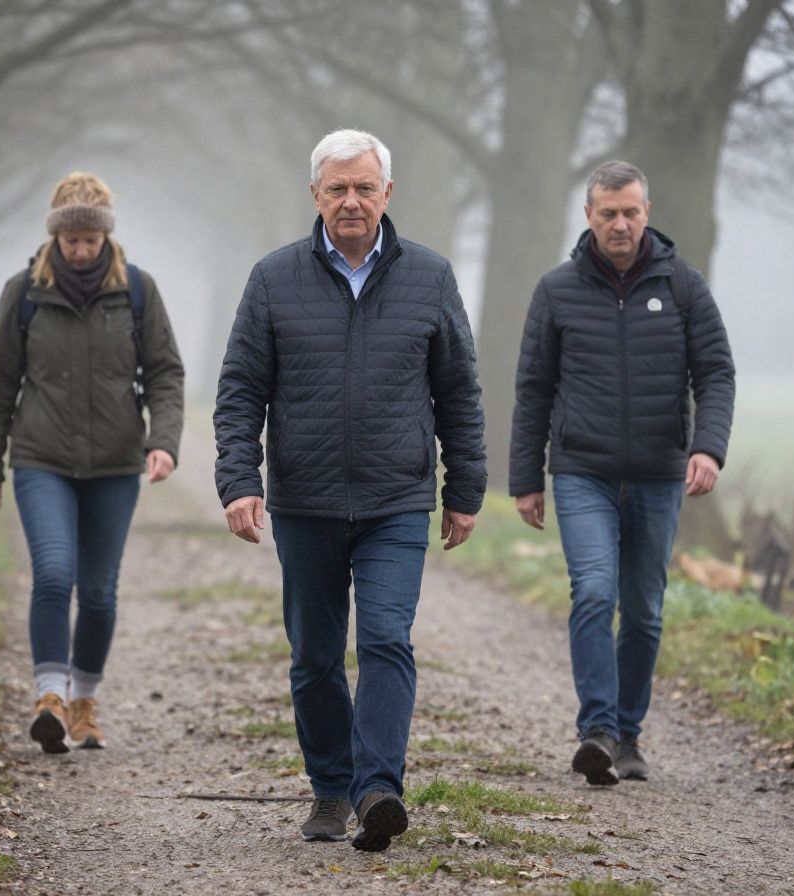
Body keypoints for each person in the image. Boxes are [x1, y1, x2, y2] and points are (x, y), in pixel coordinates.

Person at [214, 129, 487, 850]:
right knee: (313, 653)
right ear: (316, 195)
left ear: (387, 194)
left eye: (364, 187)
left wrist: (467, 484)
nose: (351, 201)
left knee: (387, 639)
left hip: (397, 498)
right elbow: (241, 389)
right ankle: (331, 788)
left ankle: (378, 790)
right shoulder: (273, 280)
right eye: (337, 188)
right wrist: (239, 480)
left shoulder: (430, 277)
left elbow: (459, 389)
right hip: (303, 500)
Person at [509, 160, 735, 786]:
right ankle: (598, 731)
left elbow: (716, 372)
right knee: (594, 592)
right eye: (607, 212)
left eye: (631, 211)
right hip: (583, 471)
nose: (620, 223)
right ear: (588, 216)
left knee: (643, 609)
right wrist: (527, 477)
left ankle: (629, 735)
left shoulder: (683, 287)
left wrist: (707, 448)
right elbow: (533, 389)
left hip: (661, 474)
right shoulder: (556, 290)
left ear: (647, 210)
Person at [0, 172, 184, 754]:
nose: (82, 248)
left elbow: (165, 372)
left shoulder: (138, 292)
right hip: (42, 459)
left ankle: (85, 703)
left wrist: (162, 440)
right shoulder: (24, 294)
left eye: (91, 239)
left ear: (106, 236)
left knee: (97, 592)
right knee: (54, 573)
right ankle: (49, 698)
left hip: (116, 464)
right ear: (56, 238)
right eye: (72, 240)